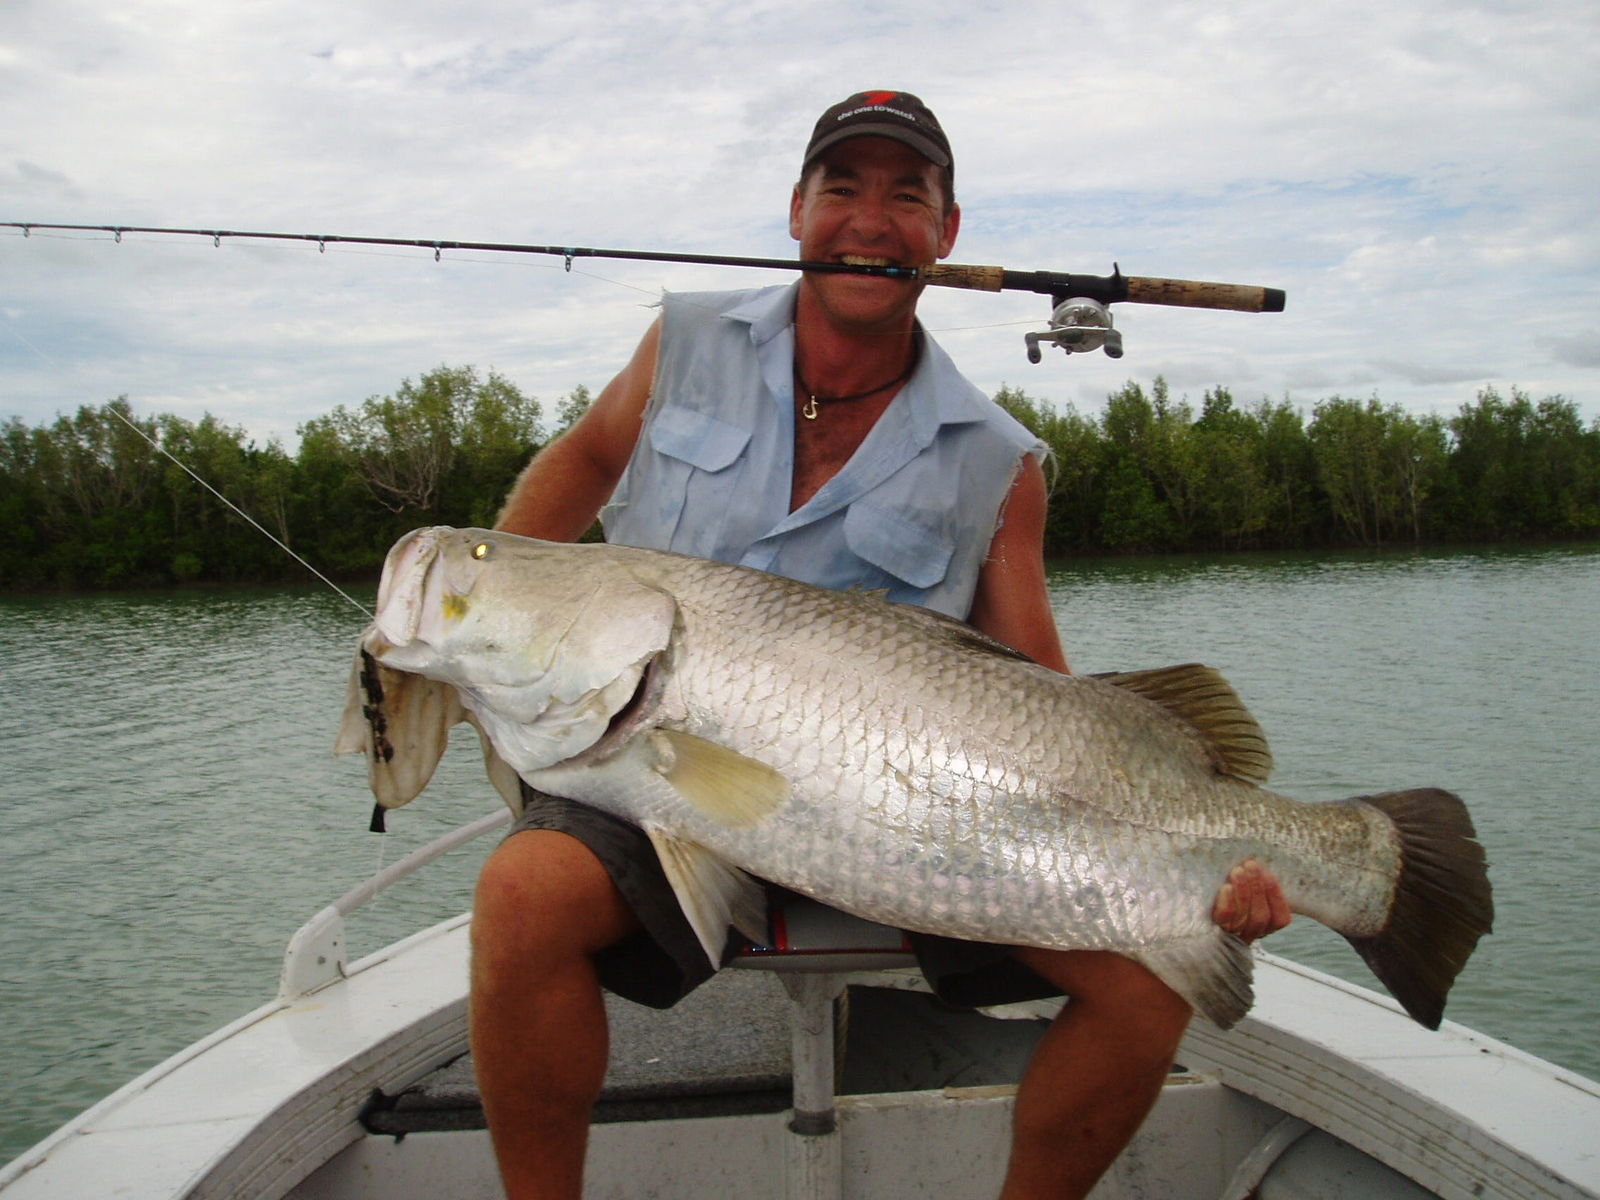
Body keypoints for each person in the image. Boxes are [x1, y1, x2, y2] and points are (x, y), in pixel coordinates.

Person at [472, 90, 1291, 1199]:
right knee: (522, 900)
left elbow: (1044, 696)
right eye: (842, 188)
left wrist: (1206, 866)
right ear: (797, 212)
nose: (871, 218)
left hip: (905, 824)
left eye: (907, 196)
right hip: (653, 772)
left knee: (1149, 989)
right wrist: (489, 606)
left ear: (946, 234)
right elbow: (582, 462)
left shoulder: (997, 462)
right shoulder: (684, 343)